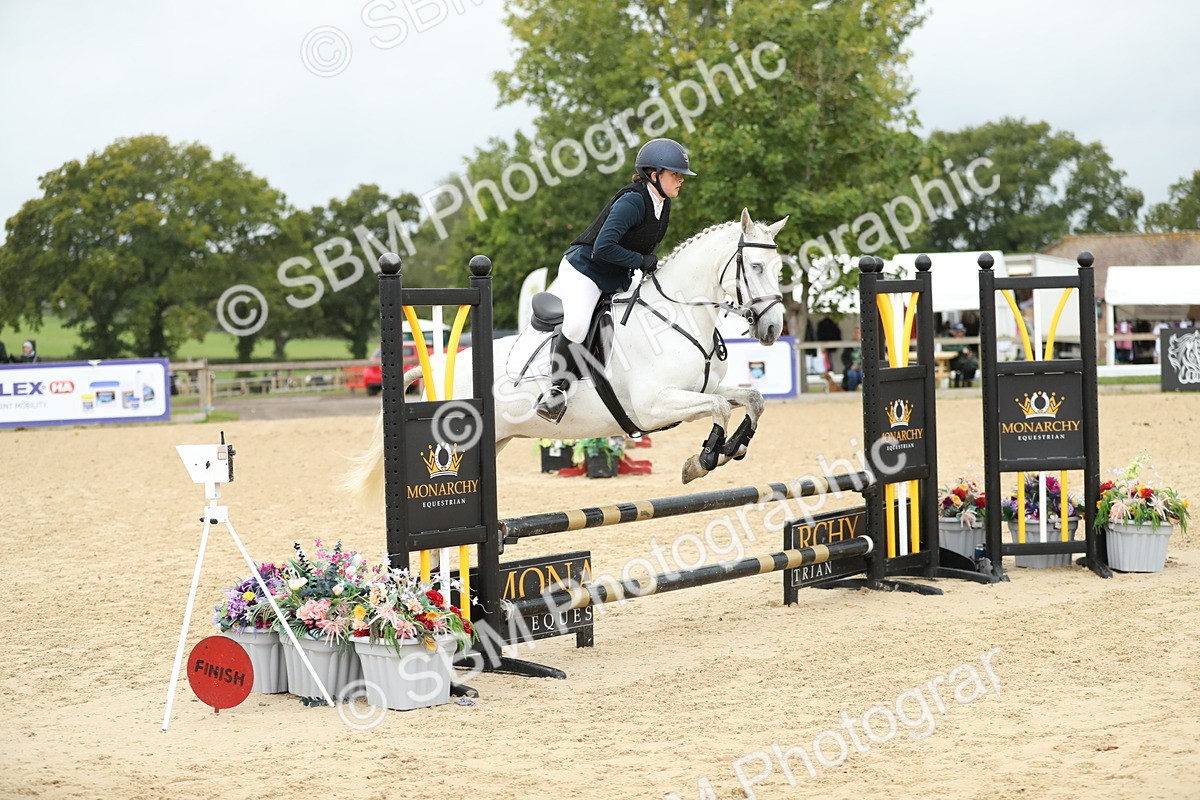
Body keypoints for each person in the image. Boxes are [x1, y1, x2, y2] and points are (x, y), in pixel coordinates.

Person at [534, 137, 696, 423]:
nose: (681, 180)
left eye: (681, 175)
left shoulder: (663, 204)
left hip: (617, 274)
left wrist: (646, 266)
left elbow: (640, 247)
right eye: (675, 174)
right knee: (577, 324)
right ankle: (556, 390)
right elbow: (604, 247)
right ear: (654, 175)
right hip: (585, 270)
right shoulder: (633, 201)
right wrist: (641, 261)